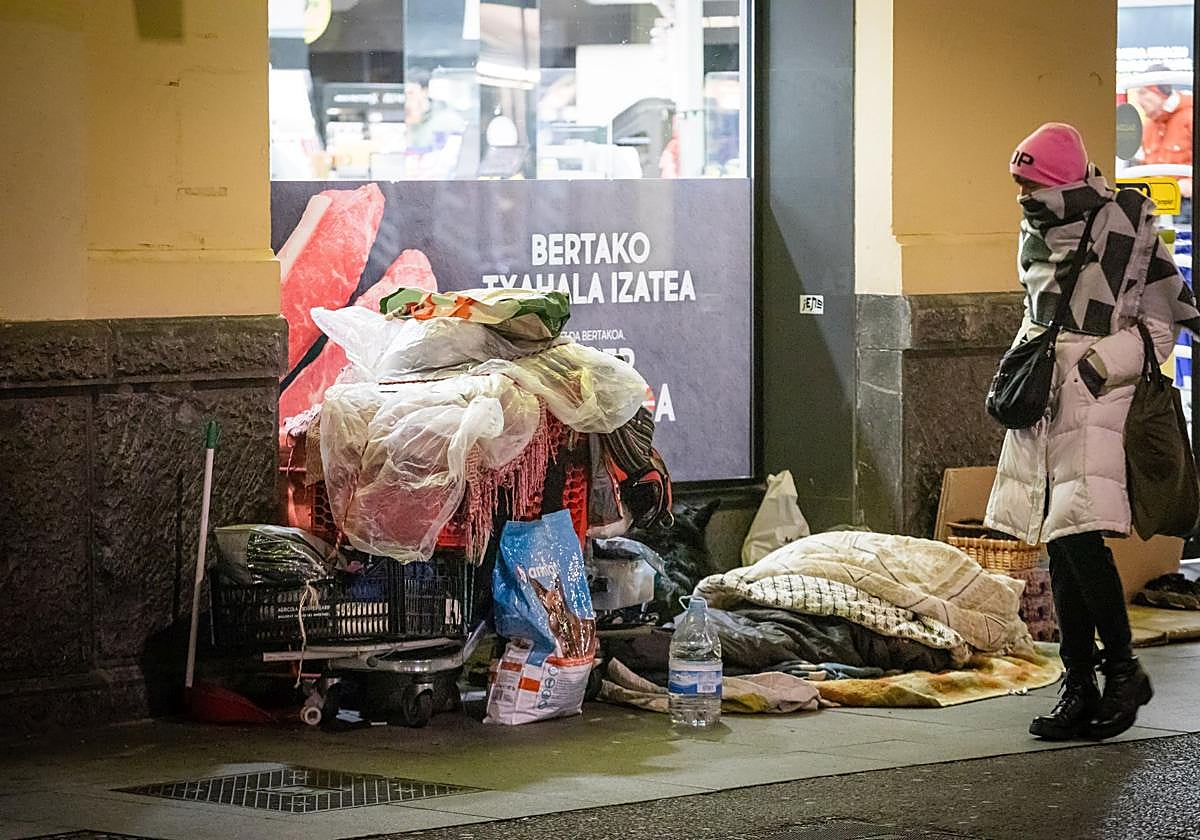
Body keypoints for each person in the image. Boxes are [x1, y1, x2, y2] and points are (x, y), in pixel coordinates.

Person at [986, 123, 1200, 741]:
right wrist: (1023, 370)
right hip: (1043, 400)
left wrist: (1098, 365)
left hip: (1098, 397)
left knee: (1078, 536)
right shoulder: (1034, 229)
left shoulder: (1127, 224)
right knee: (1059, 543)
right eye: (1018, 181)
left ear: (1059, 179)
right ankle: (1079, 683)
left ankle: (1123, 672)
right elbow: (1035, 312)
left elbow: (1162, 324)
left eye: (1030, 181)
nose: (1023, 192)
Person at [1133, 65, 1193, 222]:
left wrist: (1191, 183)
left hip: (1186, 205)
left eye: (1143, 93)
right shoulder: (1148, 127)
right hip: (1153, 203)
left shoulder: (1191, 117)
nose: (1139, 100)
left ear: (1159, 93)